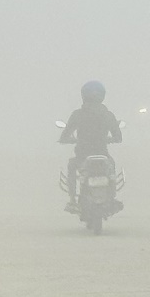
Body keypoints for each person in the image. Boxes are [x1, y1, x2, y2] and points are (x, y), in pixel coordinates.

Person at [60, 81, 122, 212]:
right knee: (111, 168)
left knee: (72, 167)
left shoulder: (77, 114)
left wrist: (69, 140)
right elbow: (118, 137)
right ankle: (112, 196)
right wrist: (108, 139)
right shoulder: (108, 115)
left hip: (82, 155)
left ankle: (72, 199)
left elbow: (65, 135)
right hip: (102, 154)